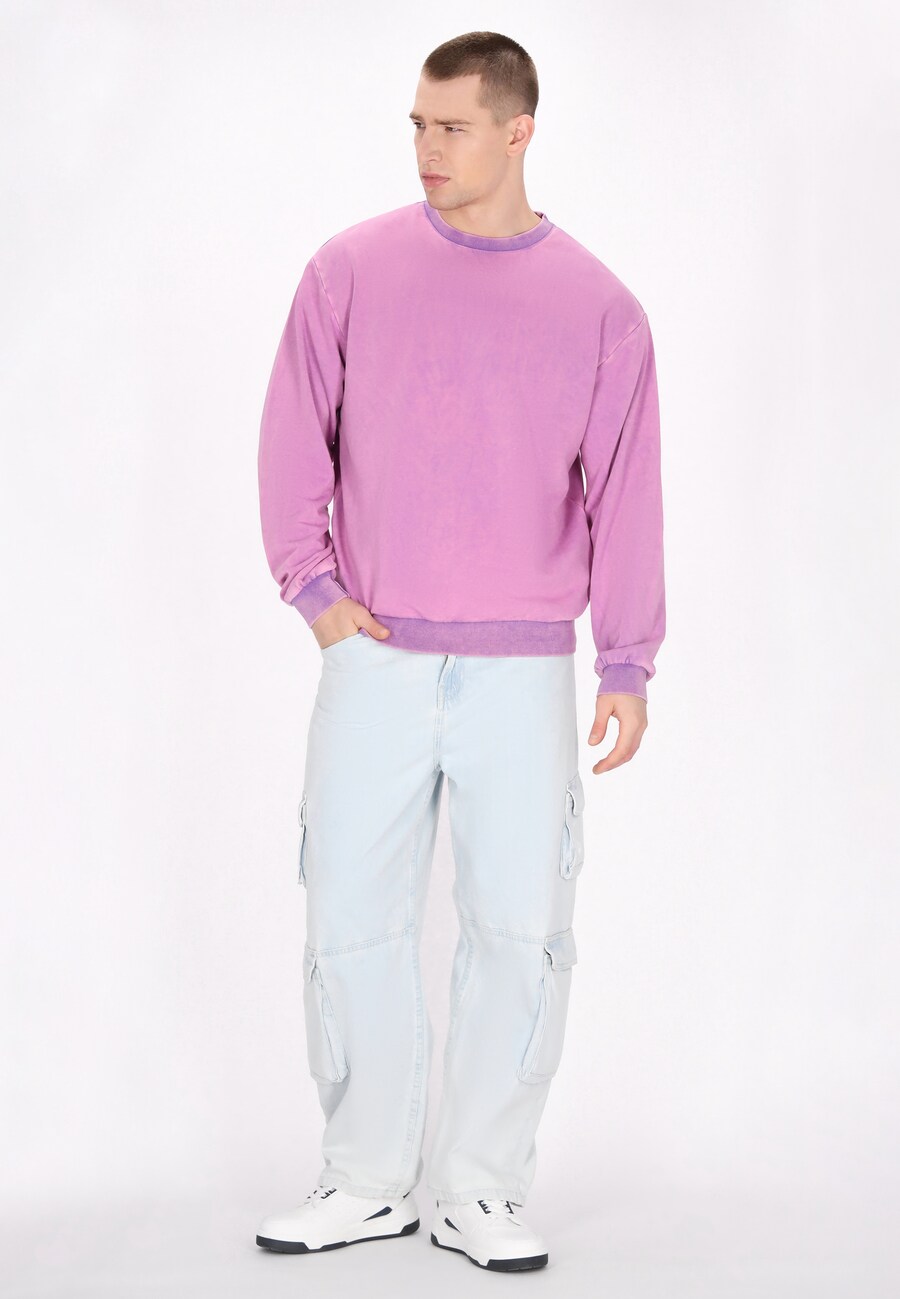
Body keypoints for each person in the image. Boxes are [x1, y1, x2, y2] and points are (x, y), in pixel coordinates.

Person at [254, 30, 665, 1273]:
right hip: (374, 655)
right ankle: (366, 1179)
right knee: (350, 922)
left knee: (520, 930)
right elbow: (292, 436)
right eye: (418, 127)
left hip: (523, 667)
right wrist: (316, 592)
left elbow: (626, 497)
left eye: (454, 128)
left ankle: (480, 1190)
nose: (428, 149)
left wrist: (628, 662)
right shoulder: (350, 271)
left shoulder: (600, 309)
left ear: (518, 130)